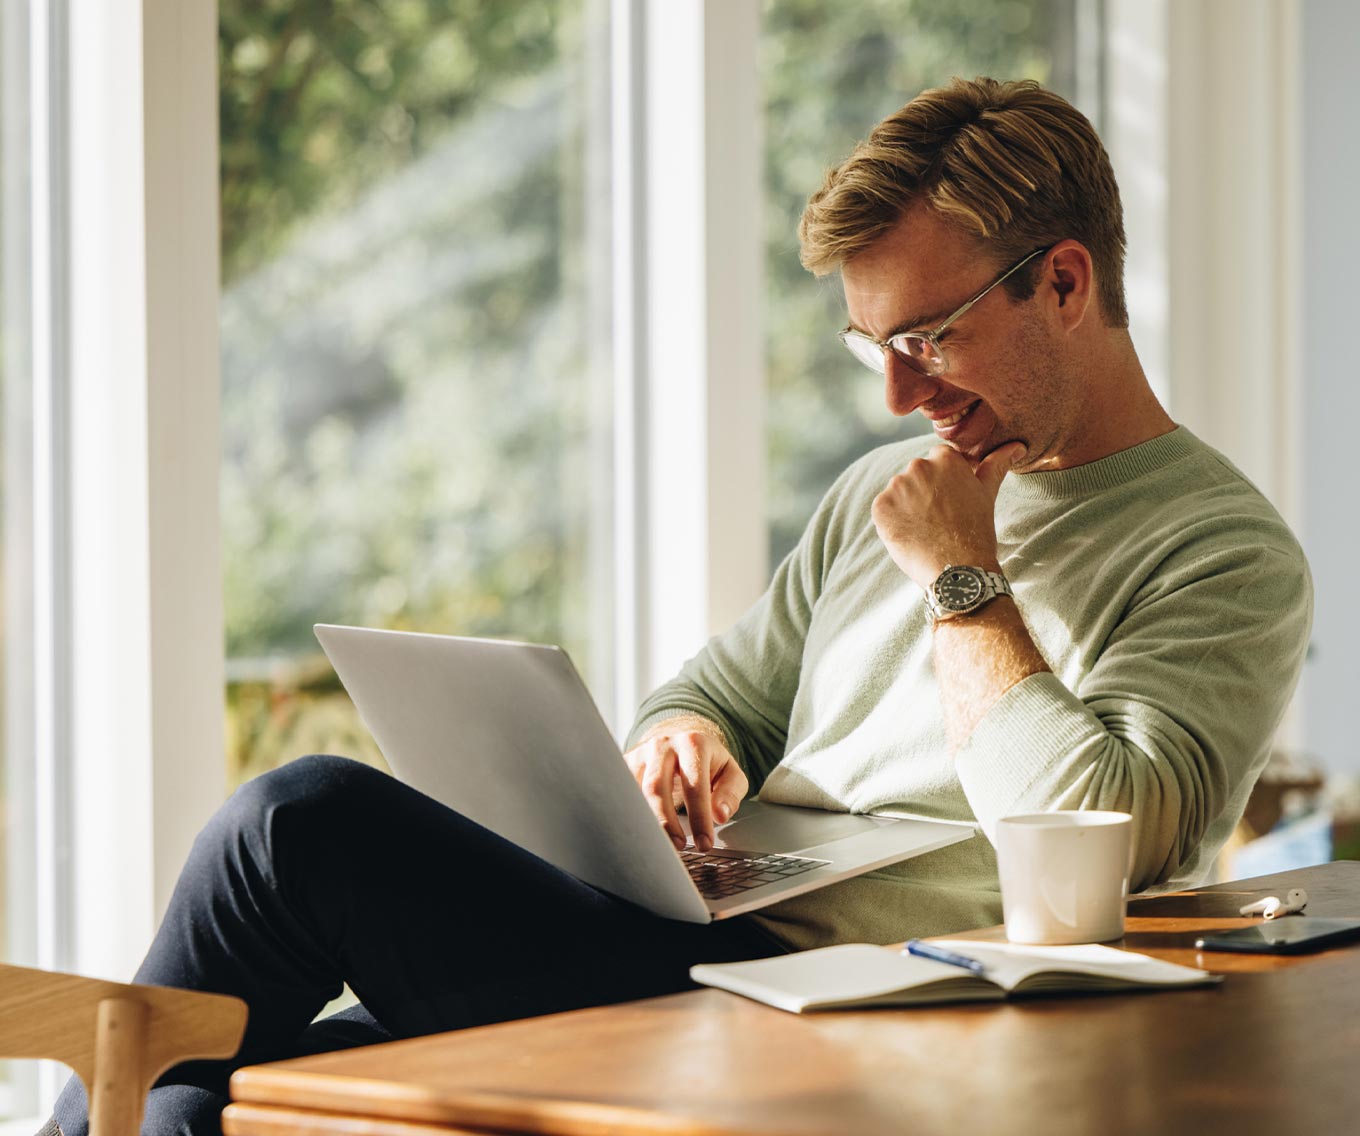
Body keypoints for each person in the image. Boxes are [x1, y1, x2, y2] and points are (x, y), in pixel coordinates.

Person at [43, 76, 1311, 1136]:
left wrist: (961, 579)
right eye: (872, 348)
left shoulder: (1223, 550)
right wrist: (679, 742)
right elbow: (717, 692)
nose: (893, 397)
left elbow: (1118, 831)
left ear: (1066, 283)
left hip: (865, 1000)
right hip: (695, 938)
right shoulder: (883, 489)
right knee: (216, 1097)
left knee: (295, 823)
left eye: (927, 337)